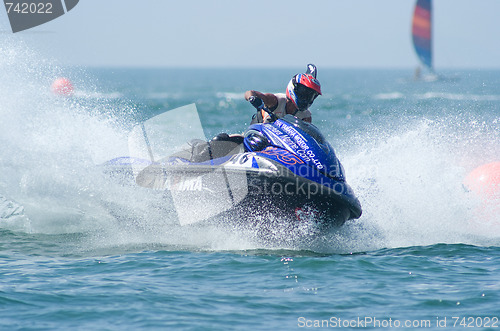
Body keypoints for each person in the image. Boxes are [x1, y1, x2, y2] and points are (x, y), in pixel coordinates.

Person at [244, 64, 322, 124]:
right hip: (254, 137)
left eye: (310, 96)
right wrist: (252, 98)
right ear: (293, 87)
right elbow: (249, 93)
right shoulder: (275, 100)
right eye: (303, 93)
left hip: (278, 144)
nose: (305, 98)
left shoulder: (306, 116)